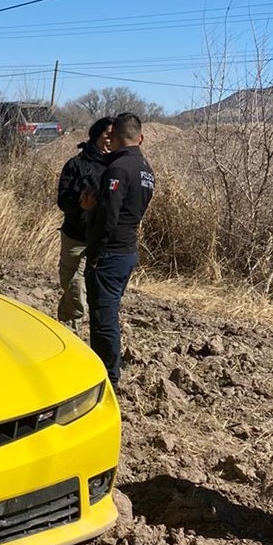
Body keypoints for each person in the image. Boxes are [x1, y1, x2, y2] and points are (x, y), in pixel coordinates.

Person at [85, 112, 155, 389]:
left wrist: (94, 253)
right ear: (140, 137)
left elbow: (108, 217)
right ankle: (109, 369)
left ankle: (108, 378)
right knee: (108, 313)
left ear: (113, 138)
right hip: (128, 250)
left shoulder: (118, 169)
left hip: (110, 253)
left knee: (103, 318)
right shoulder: (145, 169)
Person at [55, 117, 114, 331]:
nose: (111, 139)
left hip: (106, 239)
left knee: (95, 290)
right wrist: (82, 203)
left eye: (115, 135)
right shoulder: (76, 164)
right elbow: (63, 201)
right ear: (96, 136)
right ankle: (70, 330)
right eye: (108, 134)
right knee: (73, 285)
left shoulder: (119, 166)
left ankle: (69, 324)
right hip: (76, 236)